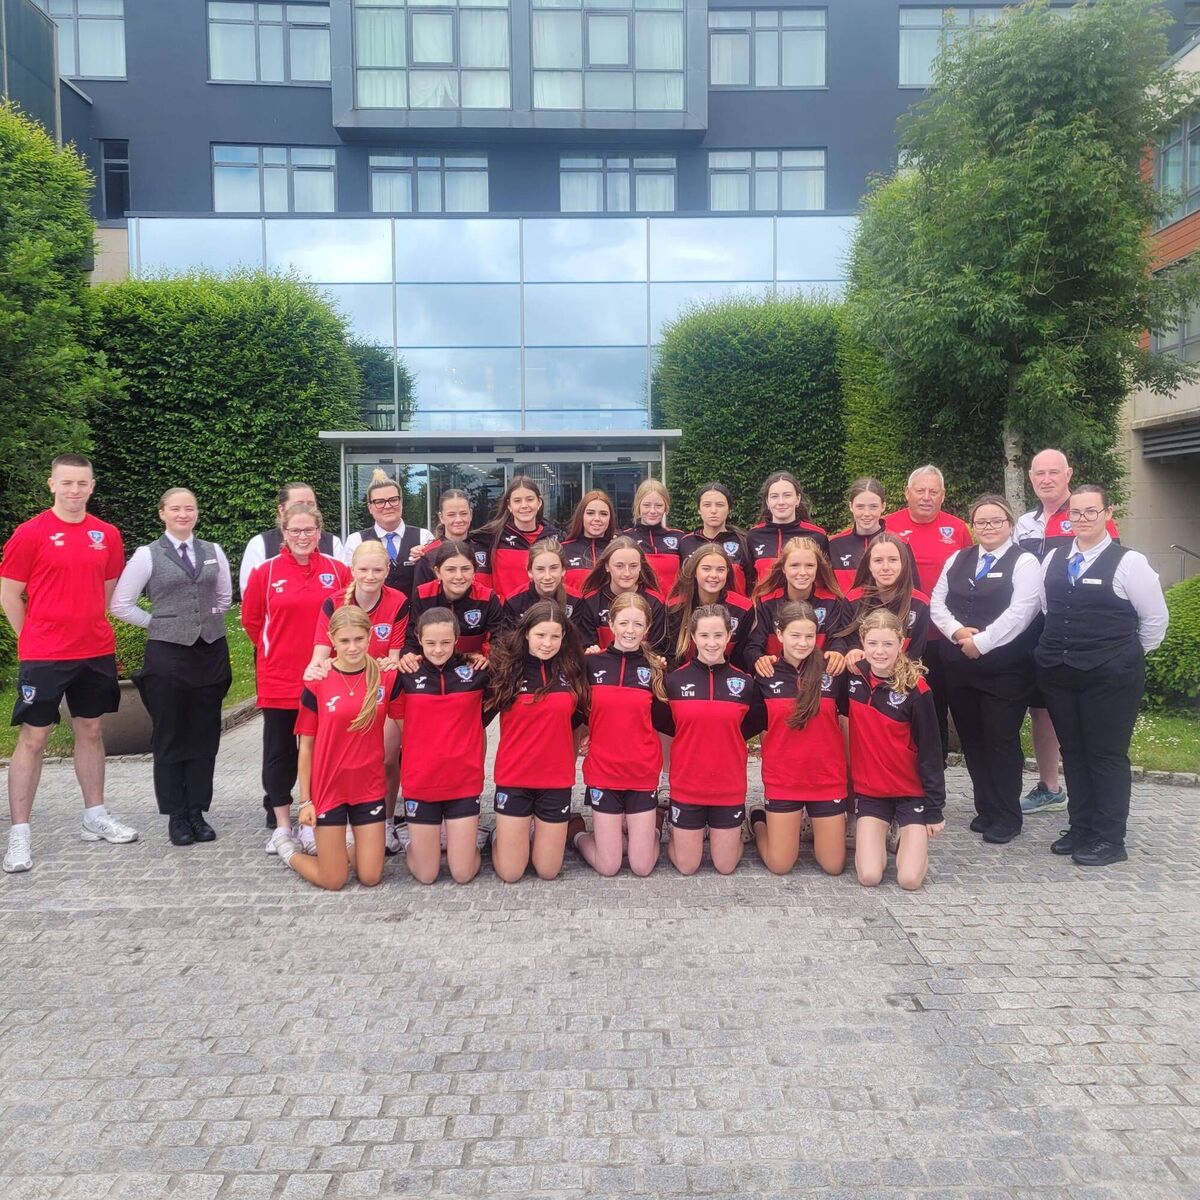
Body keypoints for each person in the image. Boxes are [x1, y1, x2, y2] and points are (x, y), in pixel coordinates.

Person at [1, 454, 138, 873]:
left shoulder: (107, 534)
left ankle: (94, 816)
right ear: (52, 484)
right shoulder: (31, 533)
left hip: (94, 650)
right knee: (34, 738)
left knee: (92, 731)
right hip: (45, 654)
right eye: (67, 483)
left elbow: (108, 591)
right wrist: (31, 641)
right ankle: (20, 833)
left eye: (82, 483)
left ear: (92, 486)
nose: (74, 490)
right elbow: (9, 593)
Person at [1034, 485, 1168, 867]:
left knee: (1106, 755)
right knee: (1073, 752)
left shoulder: (1130, 562)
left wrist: (1120, 656)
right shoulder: (1055, 559)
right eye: (1075, 513)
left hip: (1111, 677)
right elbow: (1049, 608)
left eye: (1091, 512)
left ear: (1108, 514)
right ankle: (1082, 827)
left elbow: (1155, 621)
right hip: (1061, 674)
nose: (1082, 519)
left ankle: (1110, 838)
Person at [109, 487, 233, 847]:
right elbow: (121, 603)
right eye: (176, 509)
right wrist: (159, 623)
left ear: (197, 513)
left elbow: (224, 597)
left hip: (210, 652)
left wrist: (204, 621)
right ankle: (176, 815)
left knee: (204, 733)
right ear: (162, 513)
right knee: (170, 733)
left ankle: (197, 810)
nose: (183, 514)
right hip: (168, 656)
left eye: (189, 508)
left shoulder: (214, 551)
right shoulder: (147, 555)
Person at [1015, 449, 1120, 817]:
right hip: (1033, 630)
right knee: (1040, 709)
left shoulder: (1086, 515)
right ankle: (1050, 786)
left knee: (1078, 711)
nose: (1046, 479)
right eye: (1039, 473)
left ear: (1068, 474)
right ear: (1031, 478)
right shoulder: (1024, 523)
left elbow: (1110, 569)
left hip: (1077, 631)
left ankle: (1091, 793)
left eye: (1053, 472)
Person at [931, 495, 1041, 844]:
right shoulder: (958, 558)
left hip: (1004, 669)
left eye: (996, 521)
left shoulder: (1024, 562)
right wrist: (957, 632)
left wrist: (984, 642)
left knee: (1001, 739)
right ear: (973, 527)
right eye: (981, 522)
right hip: (960, 666)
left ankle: (1008, 814)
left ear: (1009, 525)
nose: (988, 527)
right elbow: (937, 602)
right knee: (973, 740)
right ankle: (986, 808)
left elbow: (1023, 611)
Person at [241, 501, 350, 850]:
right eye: (295, 531)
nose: (302, 537)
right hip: (280, 678)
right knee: (279, 752)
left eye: (309, 530)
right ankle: (282, 825)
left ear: (319, 532)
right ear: (283, 534)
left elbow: (348, 620)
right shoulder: (266, 572)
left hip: (326, 678)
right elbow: (253, 621)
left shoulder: (338, 570)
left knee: (320, 750)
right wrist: (276, 653)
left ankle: (313, 819)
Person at [281, 607, 401, 890]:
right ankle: (288, 850)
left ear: (370, 636)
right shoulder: (317, 681)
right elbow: (306, 746)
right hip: (329, 788)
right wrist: (305, 800)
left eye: (359, 639)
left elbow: (408, 725)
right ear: (331, 639)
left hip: (368, 787)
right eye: (344, 641)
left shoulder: (385, 677)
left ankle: (344, 848)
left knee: (370, 877)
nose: (353, 647)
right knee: (333, 880)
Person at [305, 539, 408, 854]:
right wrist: (313, 672)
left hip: (378, 687)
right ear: (352, 569)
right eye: (363, 569)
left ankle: (386, 821)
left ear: (388, 570)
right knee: (332, 753)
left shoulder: (399, 601)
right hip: (342, 685)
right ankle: (328, 818)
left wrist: (391, 664)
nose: (370, 575)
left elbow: (394, 654)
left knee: (387, 757)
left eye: (378, 569)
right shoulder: (333, 602)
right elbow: (321, 652)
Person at [567, 593, 669, 877]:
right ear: (610, 623)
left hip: (642, 769)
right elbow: (578, 711)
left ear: (647, 628)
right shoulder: (592, 664)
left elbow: (665, 720)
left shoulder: (655, 669)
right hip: (603, 770)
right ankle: (576, 833)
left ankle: (654, 829)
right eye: (623, 622)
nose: (630, 630)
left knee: (641, 866)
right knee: (609, 866)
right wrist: (584, 736)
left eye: (638, 624)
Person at [487, 600, 588, 883]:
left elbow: (584, 715)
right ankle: (500, 834)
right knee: (511, 872)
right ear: (527, 633)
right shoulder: (504, 668)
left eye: (555, 636)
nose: (547, 643)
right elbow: (475, 715)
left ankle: (538, 832)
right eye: (541, 634)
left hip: (555, 779)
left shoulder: (572, 669)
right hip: (514, 777)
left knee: (547, 870)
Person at [655, 604, 759, 876]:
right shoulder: (674, 681)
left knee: (725, 866)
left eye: (718, 635)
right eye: (704, 636)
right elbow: (668, 726)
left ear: (728, 636)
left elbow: (748, 727)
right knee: (688, 866)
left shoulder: (745, 683)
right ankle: (675, 829)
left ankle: (752, 821)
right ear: (693, 637)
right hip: (688, 786)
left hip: (728, 787)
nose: (711, 643)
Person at [746, 602, 848, 877]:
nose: (802, 643)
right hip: (784, 778)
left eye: (809, 636)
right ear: (779, 634)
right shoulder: (765, 673)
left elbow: (852, 718)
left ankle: (814, 826)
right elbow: (747, 724)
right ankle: (758, 820)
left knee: (833, 866)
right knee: (780, 865)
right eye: (795, 635)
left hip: (827, 779)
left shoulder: (833, 670)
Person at [846, 610, 946, 890]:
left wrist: (935, 809)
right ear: (862, 643)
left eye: (888, 644)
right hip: (872, 794)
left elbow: (931, 752)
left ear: (901, 644)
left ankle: (909, 836)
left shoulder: (917, 689)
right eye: (873, 643)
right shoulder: (853, 679)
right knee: (869, 876)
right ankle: (890, 833)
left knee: (909, 880)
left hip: (910, 794)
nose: (880, 652)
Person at [393, 608, 493, 885]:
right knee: (427, 875)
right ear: (419, 640)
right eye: (431, 643)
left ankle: (474, 836)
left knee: (462, 873)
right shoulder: (405, 675)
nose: (438, 650)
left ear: (457, 639)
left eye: (446, 642)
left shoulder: (477, 673)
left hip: (463, 781)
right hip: (421, 782)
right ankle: (409, 836)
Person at [886, 465, 973, 757]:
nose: (926, 497)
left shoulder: (958, 528)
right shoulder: (888, 525)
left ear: (943, 495)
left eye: (933, 491)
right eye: (920, 490)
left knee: (937, 705)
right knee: (899, 706)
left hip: (944, 637)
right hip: (902, 637)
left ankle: (936, 772)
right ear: (906, 493)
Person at [746, 536, 846, 677]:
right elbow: (753, 646)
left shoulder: (831, 601)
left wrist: (838, 652)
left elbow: (838, 638)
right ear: (783, 568)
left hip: (818, 678)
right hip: (777, 678)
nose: (803, 572)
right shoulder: (767, 602)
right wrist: (758, 659)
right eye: (795, 565)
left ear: (818, 568)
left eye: (810, 566)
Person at [830, 531, 930, 665]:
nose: (886, 567)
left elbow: (915, 653)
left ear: (904, 563)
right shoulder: (853, 600)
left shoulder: (920, 603)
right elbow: (846, 640)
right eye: (878, 561)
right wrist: (853, 650)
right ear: (869, 565)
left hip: (902, 675)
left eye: (893, 560)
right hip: (862, 675)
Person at [402, 540, 503, 665]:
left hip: (473, 665)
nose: (459, 576)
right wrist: (409, 655)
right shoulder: (423, 594)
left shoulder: (488, 597)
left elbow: (499, 640)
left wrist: (487, 658)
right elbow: (413, 637)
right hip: (433, 662)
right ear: (438, 572)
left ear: (474, 572)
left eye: (466, 569)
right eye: (451, 570)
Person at [238, 482, 344, 594]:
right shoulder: (260, 543)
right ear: (281, 509)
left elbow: (345, 591)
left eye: (311, 504)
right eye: (299, 504)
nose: (305, 509)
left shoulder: (333, 542)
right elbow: (250, 594)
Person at [341, 469, 433, 598]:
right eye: (379, 502)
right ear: (370, 508)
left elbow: (434, 578)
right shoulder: (355, 541)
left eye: (393, 500)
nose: (388, 506)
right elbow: (350, 584)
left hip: (416, 615)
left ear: (401, 502)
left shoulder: (424, 537)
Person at [574, 536, 668, 655]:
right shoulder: (591, 601)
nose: (627, 573)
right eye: (619, 566)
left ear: (640, 567)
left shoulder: (655, 602)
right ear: (607, 566)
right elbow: (586, 646)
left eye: (633, 566)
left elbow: (657, 650)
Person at [666, 545, 753, 670]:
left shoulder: (743, 609)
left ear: (727, 572)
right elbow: (671, 657)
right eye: (706, 569)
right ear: (695, 571)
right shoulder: (675, 607)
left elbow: (741, 658)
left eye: (720, 569)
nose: (714, 575)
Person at [476, 476, 559, 602]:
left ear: (539, 503)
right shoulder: (491, 537)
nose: (524, 505)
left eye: (530, 499)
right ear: (509, 505)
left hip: (542, 616)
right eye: (517, 501)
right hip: (505, 616)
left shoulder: (553, 537)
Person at [746, 471, 829, 584]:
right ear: (767, 502)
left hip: (804, 601)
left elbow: (825, 579)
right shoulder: (754, 536)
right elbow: (749, 579)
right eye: (774, 496)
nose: (781, 502)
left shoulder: (817, 536)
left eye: (787, 495)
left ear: (797, 499)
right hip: (765, 601)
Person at [679, 482, 754, 595]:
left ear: (729, 509)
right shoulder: (686, 542)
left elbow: (752, 581)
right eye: (707, 505)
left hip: (736, 611)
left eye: (719, 505)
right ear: (699, 509)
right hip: (696, 611)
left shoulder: (743, 541)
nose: (713, 510)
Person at [412, 489, 489, 591]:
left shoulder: (486, 549)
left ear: (470, 514)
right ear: (441, 517)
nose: (458, 520)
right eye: (451, 515)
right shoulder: (427, 555)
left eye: (463, 513)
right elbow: (420, 599)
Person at [621, 479, 686, 597]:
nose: (652, 511)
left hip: (672, 609)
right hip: (638, 609)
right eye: (646, 505)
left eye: (658, 505)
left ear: (666, 506)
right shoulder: (625, 538)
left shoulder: (680, 537)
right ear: (638, 506)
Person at [828, 477, 890, 592]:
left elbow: (910, 589)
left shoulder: (898, 544)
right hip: (847, 609)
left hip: (886, 610)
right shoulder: (835, 545)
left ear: (883, 506)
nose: (866, 513)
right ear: (851, 506)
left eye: (873, 507)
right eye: (860, 507)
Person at [503, 539, 582, 629]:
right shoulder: (514, 601)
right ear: (530, 572)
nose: (547, 577)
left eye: (553, 568)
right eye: (540, 569)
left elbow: (577, 639)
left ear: (563, 570)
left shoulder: (576, 600)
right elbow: (507, 639)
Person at [560, 490, 617, 591]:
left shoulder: (618, 551)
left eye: (603, 514)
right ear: (581, 516)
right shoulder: (562, 550)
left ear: (610, 518)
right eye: (590, 513)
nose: (597, 518)